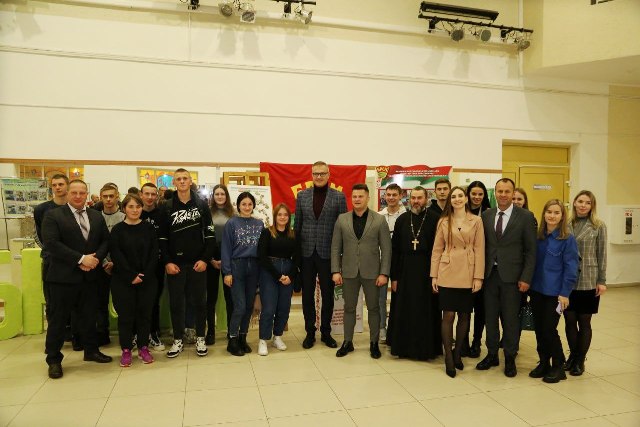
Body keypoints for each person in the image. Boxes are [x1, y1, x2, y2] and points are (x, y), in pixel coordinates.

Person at [41, 179, 113, 379]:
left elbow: (105, 241)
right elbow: (52, 243)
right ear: (68, 194)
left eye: (82, 192)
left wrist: (95, 259)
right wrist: (81, 259)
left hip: (90, 277)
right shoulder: (53, 216)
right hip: (63, 278)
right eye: (74, 192)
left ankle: (91, 351)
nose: (78, 196)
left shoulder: (96, 216)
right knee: (58, 320)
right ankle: (54, 359)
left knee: (89, 316)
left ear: (87, 194)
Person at [476, 178, 536, 378]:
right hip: (489, 276)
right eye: (499, 191)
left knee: (510, 320)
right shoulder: (486, 215)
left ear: (512, 193)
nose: (502, 195)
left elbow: (531, 251)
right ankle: (492, 354)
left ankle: (510, 356)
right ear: (495, 193)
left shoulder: (525, 217)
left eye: (507, 191)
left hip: (513, 278)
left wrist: (526, 278)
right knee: (490, 318)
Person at [158, 168, 215, 358]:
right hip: (175, 265)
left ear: (190, 181)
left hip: (198, 264)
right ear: (174, 182)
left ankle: (200, 338)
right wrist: (167, 262)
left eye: (185, 178)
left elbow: (210, 235)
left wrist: (205, 259)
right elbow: (162, 238)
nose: (182, 181)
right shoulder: (166, 207)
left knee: (200, 303)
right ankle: (177, 339)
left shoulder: (202, 205)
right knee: (176, 304)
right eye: (178, 179)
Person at [331, 184, 391, 359]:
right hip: (348, 272)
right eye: (354, 196)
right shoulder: (342, 219)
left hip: (373, 273)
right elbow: (335, 248)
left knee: (373, 308)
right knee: (349, 308)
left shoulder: (379, 220)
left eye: (360, 196)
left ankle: (373, 343)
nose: (357, 199)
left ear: (367, 198)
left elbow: (387, 249)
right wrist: (335, 270)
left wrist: (384, 273)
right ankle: (347, 342)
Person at [431, 186, 485, 378]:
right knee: (448, 315)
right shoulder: (443, 221)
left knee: (464, 315)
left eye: (460, 195)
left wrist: (478, 277)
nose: (457, 199)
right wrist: (434, 275)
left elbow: (480, 249)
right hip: (447, 271)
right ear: (450, 200)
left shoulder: (476, 220)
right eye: (453, 196)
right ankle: (448, 356)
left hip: (468, 272)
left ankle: (457, 353)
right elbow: (437, 249)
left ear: (466, 198)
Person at [294, 161, 347, 349]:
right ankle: (310, 332)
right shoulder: (302, 196)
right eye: (316, 173)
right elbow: (297, 226)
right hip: (306, 253)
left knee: (328, 296)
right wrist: (296, 257)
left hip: (328, 254)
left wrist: (340, 258)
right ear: (311, 175)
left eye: (322, 173)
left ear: (328, 174)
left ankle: (326, 332)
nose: (319, 177)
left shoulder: (339, 197)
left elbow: (343, 228)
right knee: (307, 296)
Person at [528, 199, 579, 383]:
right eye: (549, 212)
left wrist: (565, 293)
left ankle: (558, 365)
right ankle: (544, 362)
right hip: (536, 290)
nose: (552, 216)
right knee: (539, 329)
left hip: (555, 294)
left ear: (562, 216)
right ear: (544, 214)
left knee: (549, 329)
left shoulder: (567, 239)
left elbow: (571, 268)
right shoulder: (538, 237)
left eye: (557, 212)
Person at [388, 186, 441, 360]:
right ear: (409, 199)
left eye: (419, 198)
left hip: (427, 271)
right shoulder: (402, 219)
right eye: (413, 198)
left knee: (426, 310)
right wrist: (394, 277)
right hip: (404, 271)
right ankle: (403, 347)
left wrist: (436, 276)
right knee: (405, 309)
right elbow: (395, 250)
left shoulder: (435, 219)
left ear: (426, 199)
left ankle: (426, 349)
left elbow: (439, 250)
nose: (416, 201)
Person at [110, 193, 159, 367]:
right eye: (131, 206)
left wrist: (144, 275)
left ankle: (143, 347)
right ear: (124, 208)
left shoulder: (149, 228)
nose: (135, 210)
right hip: (123, 281)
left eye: (138, 206)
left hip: (147, 279)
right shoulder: (117, 230)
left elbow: (154, 253)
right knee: (126, 316)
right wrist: (131, 276)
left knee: (144, 315)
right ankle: (126, 349)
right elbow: (116, 255)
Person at [564, 190, 607, 376]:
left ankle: (580, 360)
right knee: (569, 320)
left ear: (592, 206)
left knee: (584, 321)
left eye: (587, 203)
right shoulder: (566, 224)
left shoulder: (598, 225)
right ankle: (572, 356)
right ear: (574, 203)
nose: (583, 205)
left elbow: (602, 253)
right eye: (580, 201)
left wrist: (602, 280)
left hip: (589, 279)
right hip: (568, 281)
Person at [222, 192, 264, 356]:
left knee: (248, 306)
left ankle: (242, 337)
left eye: (250, 204)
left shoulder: (259, 224)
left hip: (254, 267)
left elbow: (262, 249)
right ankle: (232, 340)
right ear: (238, 206)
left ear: (253, 206)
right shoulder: (231, 223)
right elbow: (226, 249)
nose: (247, 207)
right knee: (239, 306)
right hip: (237, 266)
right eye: (243, 204)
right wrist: (227, 272)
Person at [256, 203, 299, 356]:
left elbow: (297, 258)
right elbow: (262, 256)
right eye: (279, 214)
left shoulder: (293, 235)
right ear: (275, 216)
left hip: (287, 273)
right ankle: (263, 339)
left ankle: (277, 337)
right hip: (269, 272)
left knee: (283, 307)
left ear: (289, 217)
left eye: (285, 215)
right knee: (269, 308)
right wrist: (278, 275)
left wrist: (290, 276)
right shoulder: (267, 232)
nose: (282, 217)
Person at [34, 174, 69, 326]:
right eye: (54, 185)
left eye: (61, 184)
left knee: (72, 300)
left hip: (73, 261)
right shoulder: (42, 209)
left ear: (67, 186)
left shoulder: (75, 208)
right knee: (52, 300)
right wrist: (51, 250)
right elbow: (39, 235)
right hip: (51, 260)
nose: (57, 187)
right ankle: (55, 332)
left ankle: (72, 332)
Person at [462, 180, 491, 358]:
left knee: (481, 309)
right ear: (468, 195)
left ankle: (476, 341)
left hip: (482, 267)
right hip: (463, 267)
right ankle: (463, 341)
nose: (477, 197)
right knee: (464, 308)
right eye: (474, 193)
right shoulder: (460, 212)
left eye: (480, 194)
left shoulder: (488, 213)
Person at [96, 183, 125, 346]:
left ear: (117, 197)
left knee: (122, 303)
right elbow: (93, 243)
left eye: (111, 196)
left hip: (120, 267)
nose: (108, 199)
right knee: (100, 303)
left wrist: (115, 262)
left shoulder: (124, 217)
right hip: (100, 266)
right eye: (105, 196)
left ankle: (125, 334)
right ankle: (102, 333)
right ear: (101, 197)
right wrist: (105, 262)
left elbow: (126, 245)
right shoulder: (95, 218)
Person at [377, 183, 406, 343]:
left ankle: (398, 328)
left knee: (400, 296)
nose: (391, 197)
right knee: (380, 297)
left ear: (400, 196)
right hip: (381, 261)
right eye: (388, 194)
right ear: (385, 196)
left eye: (394, 195)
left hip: (400, 262)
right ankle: (382, 328)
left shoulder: (406, 216)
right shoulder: (379, 216)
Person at [140, 182, 165, 351]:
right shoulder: (135, 212)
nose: (149, 197)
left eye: (153, 194)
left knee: (154, 300)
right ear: (141, 195)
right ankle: (138, 334)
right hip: (137, 265)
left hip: (157, 265)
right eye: (146, 194)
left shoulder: (162, 214)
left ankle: (153, 333)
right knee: (137, 301)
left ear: (157, 196)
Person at [207, 184, 234, 344]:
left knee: (229, 297)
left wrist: (226, 259)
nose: (219, 196)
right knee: (211, 298)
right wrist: (210, 259)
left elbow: (236, 239)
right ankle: (210, 331)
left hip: (229, 257)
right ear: (213, 196)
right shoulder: (207, 212)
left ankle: (231, 331)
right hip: (211, 257)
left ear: (226, 196)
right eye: (216, 194)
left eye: (222, 194)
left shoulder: (233, 213)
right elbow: (204, 236)